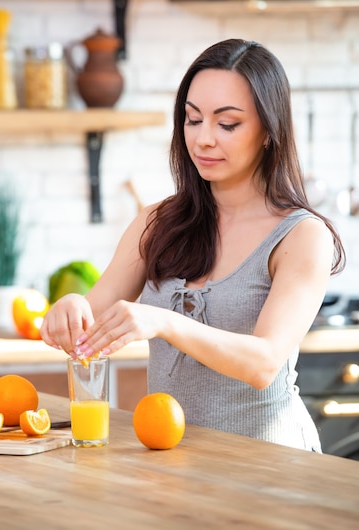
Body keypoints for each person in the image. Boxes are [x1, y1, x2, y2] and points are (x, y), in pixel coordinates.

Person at [41, 38, 345, 451]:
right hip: (176, 462)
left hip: (271, 468)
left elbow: (263, 362)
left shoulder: (301, 235)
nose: (203, 139)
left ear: (268, 132)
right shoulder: (156, 222)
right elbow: (91, 325)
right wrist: (70, 311)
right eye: (192, 119)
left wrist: (163, 321)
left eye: (227, 124)